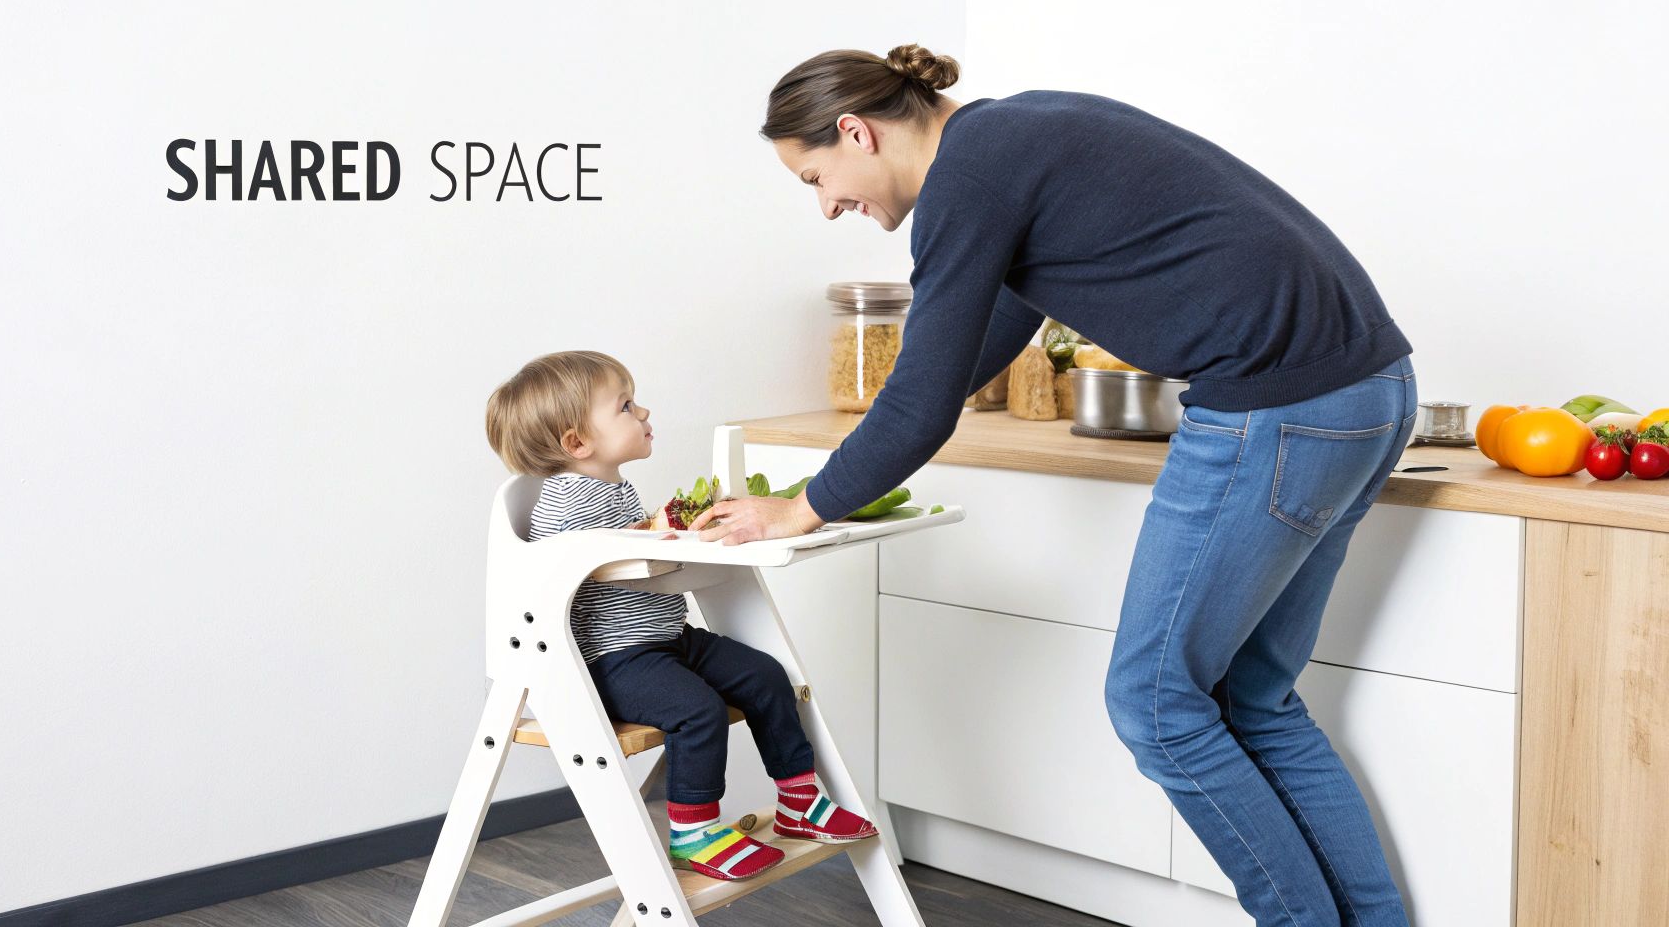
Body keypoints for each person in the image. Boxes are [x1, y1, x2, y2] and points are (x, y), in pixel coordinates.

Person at [690, 45, 1417, 925]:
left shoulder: (969, 177)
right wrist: (905, 404)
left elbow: (925, 405)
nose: (828, 203)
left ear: (857, 132)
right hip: (1367, 393)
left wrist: (799, 509)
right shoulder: (1007, 133)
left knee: (1155, 703)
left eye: (817, 175)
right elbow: (984, 330)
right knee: (1255, 699)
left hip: (1280, 409)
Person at [484, 350, 878, 882]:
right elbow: (588, 563)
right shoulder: (565, 504)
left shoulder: (609, 488)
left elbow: (637, 541)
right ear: (578, 442)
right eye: (626, 406)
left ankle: (798, 800)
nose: (644, 413)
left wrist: (669, 529)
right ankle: (693, 829)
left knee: (766, 676)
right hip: (613, 659)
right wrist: (661, 539)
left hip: (667, 638)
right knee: (698, 709)